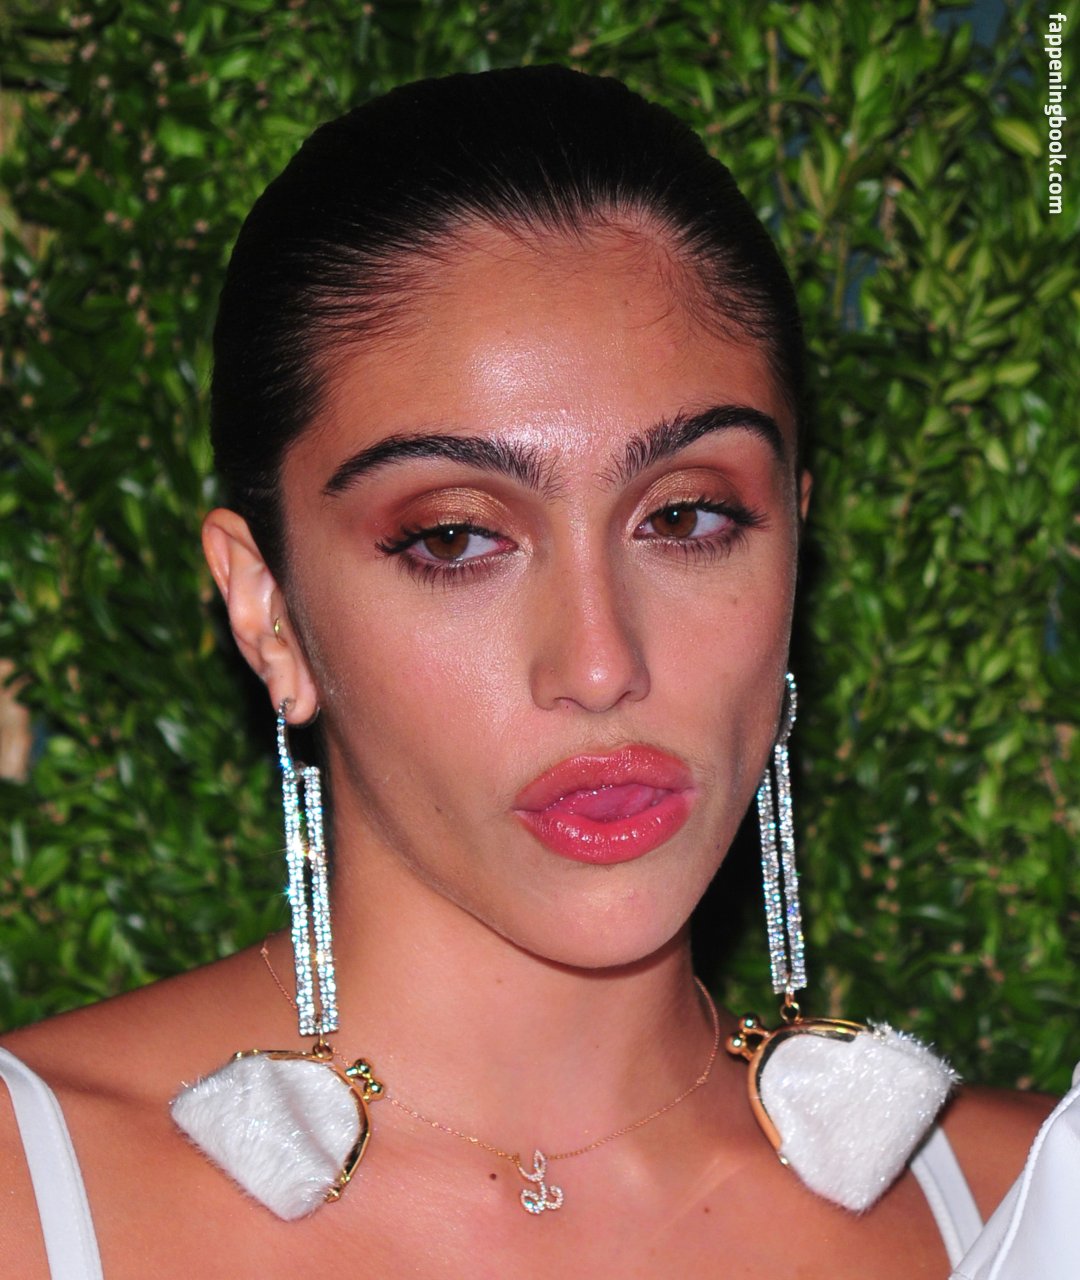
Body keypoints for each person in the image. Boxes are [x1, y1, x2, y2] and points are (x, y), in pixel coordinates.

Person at [0, 65, 1057, 1278]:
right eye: (455, 538)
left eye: (687, 517)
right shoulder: (27, 1198)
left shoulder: (1032, 1200)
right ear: (268, 610)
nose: (601, 664)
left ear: (794, 544)